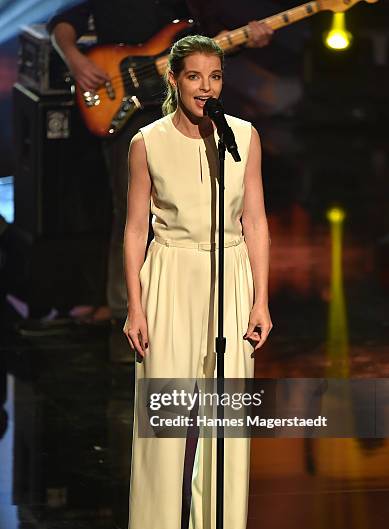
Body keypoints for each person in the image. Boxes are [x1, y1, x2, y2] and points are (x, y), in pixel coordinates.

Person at [122, 35, 272, 529]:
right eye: (194, 77)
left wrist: (260, 299)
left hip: (229, 279)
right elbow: (136, 227)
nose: (205, 87)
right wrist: (135, 304)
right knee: (163, 430)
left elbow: (255, 219)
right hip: (169, 278)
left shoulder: (244, 137)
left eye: (214, 77)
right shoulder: (148, 143)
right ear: (174, 81)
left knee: (226, 430)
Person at [47, 2, 273, 340]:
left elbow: (208, 45)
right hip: (131, 110)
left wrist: (243, 40)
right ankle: (125, 310)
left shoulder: (194, 5)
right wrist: (75, 60)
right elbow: (63, 22)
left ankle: (200, 310)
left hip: (186, 111)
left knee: (194, 204)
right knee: (130, 211)